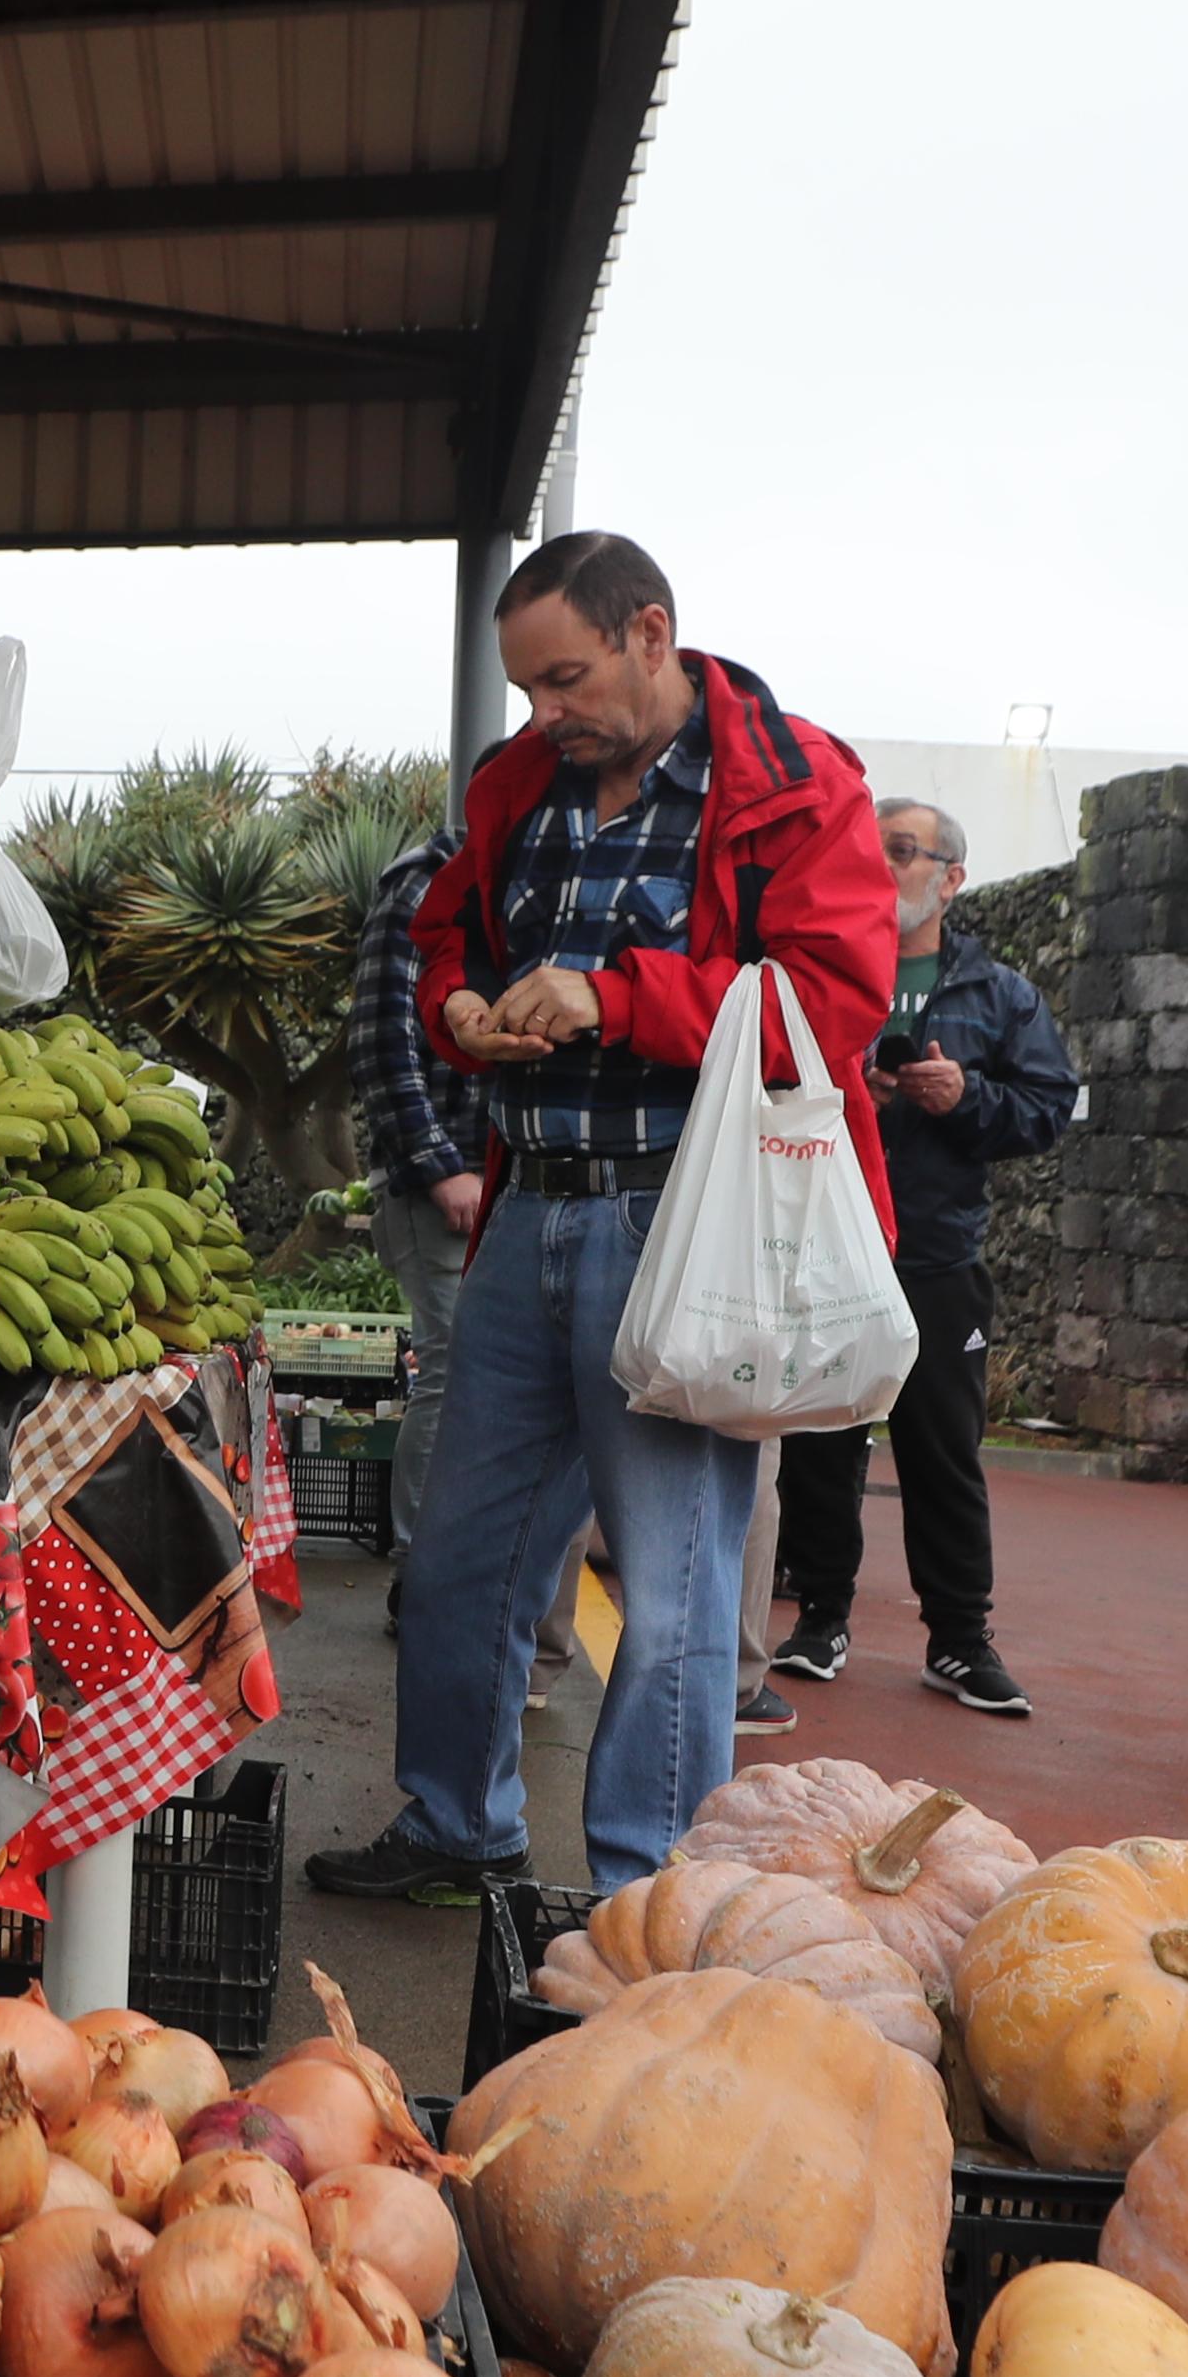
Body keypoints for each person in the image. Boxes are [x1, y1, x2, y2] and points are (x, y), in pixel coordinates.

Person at [301, 532, 894, 1907]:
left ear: (650, 635)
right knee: (458, 1558)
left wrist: (613, 997)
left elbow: (833, 1004)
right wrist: (454, 1001)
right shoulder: (522, 783)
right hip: (525, 1217)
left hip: (686, 1232)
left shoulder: (799, 786)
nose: (545, 715)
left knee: (676, 1599)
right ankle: (458, 1823)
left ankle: (653, 1891)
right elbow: (448, 930)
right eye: (526, 690)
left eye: (565, 679)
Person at [769, 797, 1075, 1720]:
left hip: (938, 1253)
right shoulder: (821, 970)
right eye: (875, 847)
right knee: (821, 1441)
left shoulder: (999, 991)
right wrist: (833, 1091)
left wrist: (965, 1095)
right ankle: (819, 1618)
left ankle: (959, 1639)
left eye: (903, 851)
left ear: (951, 878)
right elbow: (757, 1073)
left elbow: (1047, 1108)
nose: (884, 863)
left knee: (943, 1450)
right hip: (825, 1244)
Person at [339, 819, 577, 1724]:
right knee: (453, 1378)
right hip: (458, 1182)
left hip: (505, 1172)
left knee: (479, 1384)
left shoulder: (521, 883)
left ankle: (448, 1589)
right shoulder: (426, 881)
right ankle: (423, 1580)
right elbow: (383, 1044)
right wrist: (445, 1168)